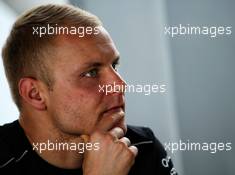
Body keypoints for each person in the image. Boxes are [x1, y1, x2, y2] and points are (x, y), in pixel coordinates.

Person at [0, 4, 176, 175]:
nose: (120, 84)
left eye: (114, 65)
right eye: (91, 73)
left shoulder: (143, 147)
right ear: (35, 94)